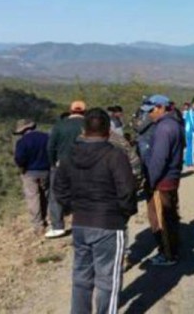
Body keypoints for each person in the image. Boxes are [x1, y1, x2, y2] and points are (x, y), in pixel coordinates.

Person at [54, 108, 137, 314]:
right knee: (108, 279)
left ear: (83, 130)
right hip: (109, 223)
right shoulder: (114, 155)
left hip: (81, 223)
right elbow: (127, 191)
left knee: (81, 278)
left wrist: (73, 208)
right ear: (108, 130)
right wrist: (123, 214)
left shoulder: (69, 155)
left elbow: (59, 188)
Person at [141, 95, 185, 266]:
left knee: (161, 219)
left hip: (162, 180)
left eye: (151, 111)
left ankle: (168, 254)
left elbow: (159, 160)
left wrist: (151, 182)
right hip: (172, 177)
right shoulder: (175, 124)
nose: (149, 115)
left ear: (161, 107)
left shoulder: (163, 128)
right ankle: (172, 249)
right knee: (171, 215)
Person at [46, 100, 86, 238]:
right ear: (84, 112)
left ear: (70, 111)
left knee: (55, 194)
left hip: (62, 164)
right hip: (84, 165)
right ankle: (82, 222)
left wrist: (52, 163)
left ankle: (58, 226)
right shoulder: (88, 125)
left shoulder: (60, 126)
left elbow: (50, 146)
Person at [13, 119, 51, 235]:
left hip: (29, 172)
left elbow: (19, 158)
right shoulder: (46, 137)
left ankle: (38, 225)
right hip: (46, 170)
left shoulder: (22, 142)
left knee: (33, 198)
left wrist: (22, 167)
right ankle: (50, 219)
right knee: (47, 195)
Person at [183, 98, 194, 167]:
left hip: (193, 132)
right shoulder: (187, 113)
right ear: (192, 104)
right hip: (188, 132)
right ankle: (190, 161)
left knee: (192, 147)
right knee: (190, 147)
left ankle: (189, 161)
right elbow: (184, 122)